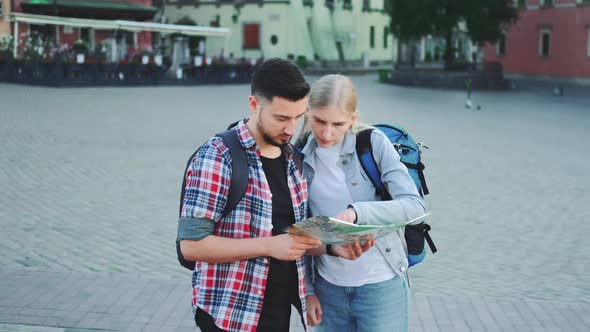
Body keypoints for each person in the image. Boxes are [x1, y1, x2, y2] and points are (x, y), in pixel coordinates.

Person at [177, 58, 323, 331]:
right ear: (254, 105)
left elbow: (291, 240)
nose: (291, 129)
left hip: (277, 313)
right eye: (281, 118)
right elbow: (191, 246)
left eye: (298, 117)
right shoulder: (218, 156)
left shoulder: (293, 160)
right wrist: (268, 245)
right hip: (229, 315)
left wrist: (334, 251)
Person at [298, 74, 427, 332]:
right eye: (319, 120)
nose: (327, 132)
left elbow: (415, 207)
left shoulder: (373, 143)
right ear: (307, 112)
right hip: (327, 289)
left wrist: (358, 213)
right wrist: (308, 291)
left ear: (353, 118)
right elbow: (299, 230)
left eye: (338, 123)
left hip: (381, 288)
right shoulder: (297, 155)